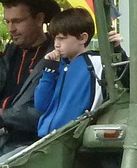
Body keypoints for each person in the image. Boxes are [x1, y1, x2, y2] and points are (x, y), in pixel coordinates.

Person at [0, 0, 61, 145]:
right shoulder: (2, 58)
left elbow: (54, 112)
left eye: (18, 21)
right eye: (7, 21)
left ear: (39, 19)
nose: (11, 29)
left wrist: (5, 116)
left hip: (28, 144)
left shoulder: (58, 60)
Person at [31, 8, 103, 139]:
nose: (56, 45)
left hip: (72, 136)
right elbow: (41, 104)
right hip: (47, 137)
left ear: (82, 38)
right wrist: (48, 72)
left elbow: (125, 76)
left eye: (62, 39)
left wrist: (117, 49)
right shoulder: (59, 65)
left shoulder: (96, 63)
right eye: (55, 39)